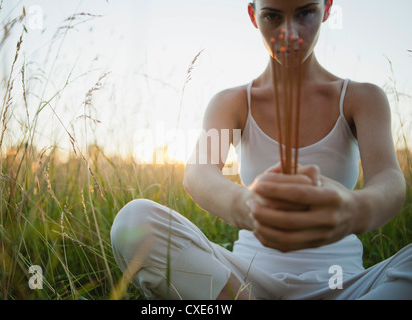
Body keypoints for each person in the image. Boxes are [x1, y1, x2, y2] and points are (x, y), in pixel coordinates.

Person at [110, 0, 412, 299]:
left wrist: (354, 210)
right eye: (273, 16)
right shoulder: (232, 102)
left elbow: (388, 178)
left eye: (306, 12)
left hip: (342, 287)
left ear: (327, 9)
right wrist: (244, 204)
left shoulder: (362, 98)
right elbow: (199, 171)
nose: (290, 33)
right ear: (254, 16)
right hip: (244, 286)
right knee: (134, 221)